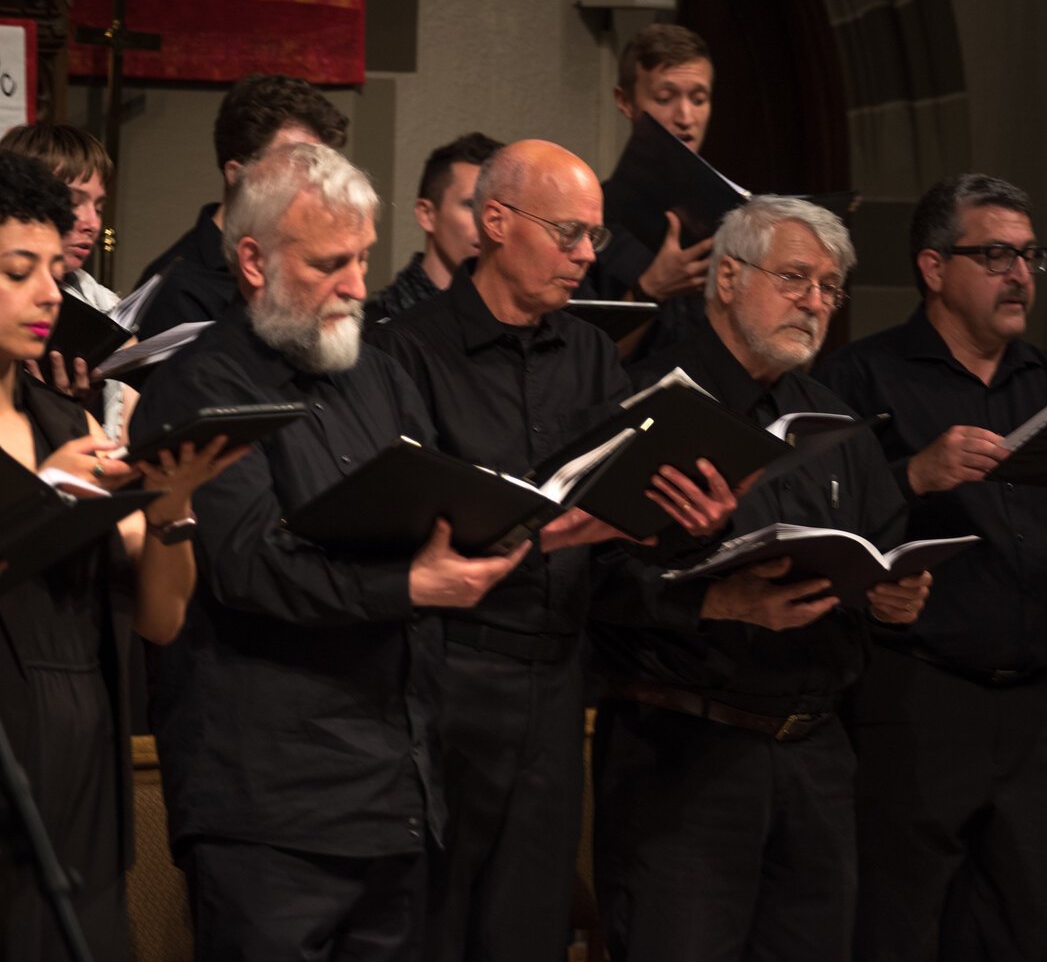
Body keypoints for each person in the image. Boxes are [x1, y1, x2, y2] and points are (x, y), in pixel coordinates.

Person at [130, 142, 527, 960]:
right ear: (252, 260)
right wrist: (411, 585)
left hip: (394, 788)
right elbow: (248, 568)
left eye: (363, 259)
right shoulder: (201, 387)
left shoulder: (377, 377)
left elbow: (425, 509)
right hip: (271, 805)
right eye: (329, 263)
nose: (356, 285)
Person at [367, 139, 741, 960]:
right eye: (567, 234)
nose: (584, 258)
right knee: (434, 922)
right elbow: (401, 526)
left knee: (529, 924)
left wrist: (683, 517)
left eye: (593, 240)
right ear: (496, 223)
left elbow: (608, 528)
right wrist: (537, 532)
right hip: (450, 674)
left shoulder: (587, 353)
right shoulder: (406, 349)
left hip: (559, 671)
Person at [813, 173, 1047, 961]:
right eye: (995, 255)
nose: (1019, 274)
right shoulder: (861, 378)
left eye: (1028, 256)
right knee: (895, 932)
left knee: (1015, 935)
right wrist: (914, 474)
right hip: (914, 705)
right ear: (932, 267)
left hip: (1031, 714)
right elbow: (819, 524)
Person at [588, 196, 932, 962]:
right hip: (683, 754)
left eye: (830, 288)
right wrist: (718, 598)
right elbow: (581, 580)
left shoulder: (834, 423)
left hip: (813, 752)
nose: (816, 303)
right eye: (797, 279)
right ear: (730, 277)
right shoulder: (643, 408)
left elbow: (882, 549)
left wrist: (892, 594)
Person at [0, 150, 242, 961]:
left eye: (53, 270)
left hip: (87, 751)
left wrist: (172, 508)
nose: (48, 294)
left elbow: (162, 619)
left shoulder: (69, 425)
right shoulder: (58, 458)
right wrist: (47, 493)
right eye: (16, 271)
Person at [134, 72, 348, 336]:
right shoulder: (178, 288)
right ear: (236, 174)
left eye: (319, 169)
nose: (316, 185)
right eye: (296, 167)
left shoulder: (299, 264)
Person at [582, 24, 718, 358]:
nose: (685, 117)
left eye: (698, 99)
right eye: (665, 98)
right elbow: (578, 365)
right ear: (625, 102)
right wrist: (651, 291)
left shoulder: (730, 216)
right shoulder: (588, 218)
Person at [0, 122, 133, 439]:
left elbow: (119, 447)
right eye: (73, 203)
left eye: (99, 207)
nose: (92, 223)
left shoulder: (105, 308)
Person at [367, 131, 503, 322]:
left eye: (500, 210)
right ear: (427, 215)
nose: (489, 222)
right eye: (472, 205)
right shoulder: (375, 328)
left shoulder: (522, 323)